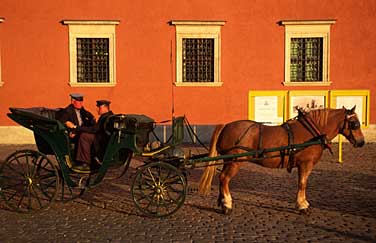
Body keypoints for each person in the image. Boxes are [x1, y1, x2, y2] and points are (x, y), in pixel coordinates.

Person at [68, 100, 114, 170]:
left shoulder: (106, 117)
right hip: (102, 139)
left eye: (99, 107)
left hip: (101, 141)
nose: (97, 109)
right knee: (86, 134)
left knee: (84, 136)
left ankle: (85, 163)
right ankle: (90, 160)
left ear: (105, 107)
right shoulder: (108, 116)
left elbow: (94, 129)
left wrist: (76, 127)